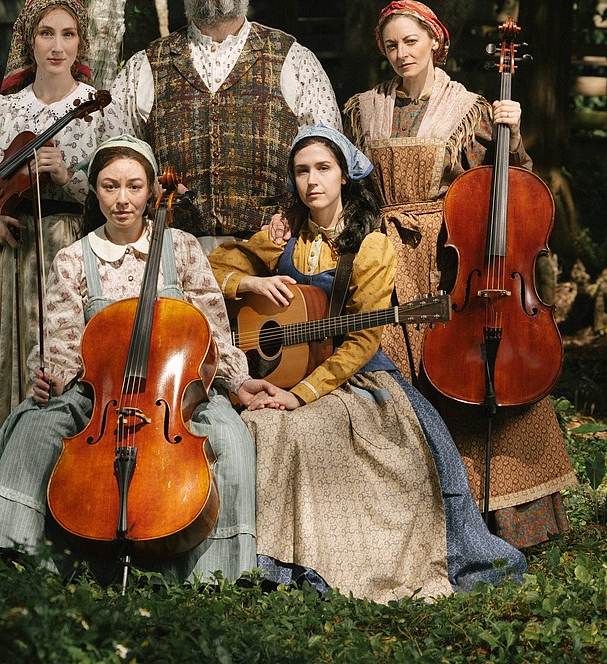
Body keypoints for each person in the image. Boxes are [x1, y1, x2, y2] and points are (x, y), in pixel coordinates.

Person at [208, 125, 525, 603]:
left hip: (357, 379)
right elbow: (212, 266)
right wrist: (249, 286)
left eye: (323, 169)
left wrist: (299, 395)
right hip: (286, 371)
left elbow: (361, 340)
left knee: (304, 431)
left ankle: (335, 562)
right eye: (301, 171)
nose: (312, 181)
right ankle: (266, 560)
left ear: (344, 177)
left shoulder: (371, 246)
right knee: (261, 429)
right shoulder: (282, 236)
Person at [0, 136, 257, 581]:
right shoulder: (74, 259)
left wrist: (236, 380)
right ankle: (8, 552)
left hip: (175, 392)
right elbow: (60, 336)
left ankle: (216, 574)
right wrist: (53, 376)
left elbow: (213, 329)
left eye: (134, 187)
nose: (122, 200)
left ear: (153, 191)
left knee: (230, 437)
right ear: (93, 191)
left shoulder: (183, 248)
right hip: (98, 388)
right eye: (110, 186)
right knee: (37, 425)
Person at [342, 0, 576, 550]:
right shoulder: (361, 108)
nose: (402, 53)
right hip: (380, 255)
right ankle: (404, 523)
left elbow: (507, 191)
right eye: (392, 44)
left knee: (470, 378)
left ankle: (509, 521)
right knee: (390, 387)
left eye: (412, 42)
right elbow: (343, 178)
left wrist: (511, 139)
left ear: (435, 43)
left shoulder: (470, 109)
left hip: (450, 259)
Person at [0, 0, 117, 540]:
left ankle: (71, 512)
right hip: (12, 256)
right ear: (27, 42)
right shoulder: (4, 109)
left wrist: (71, 177)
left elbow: (123, 193)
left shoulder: (96, 109)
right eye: (45, 34)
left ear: (80, 44)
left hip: (75, 250)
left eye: (68, 35)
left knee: (70, 369)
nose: (57, 46)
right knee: (8, 372)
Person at [104, 0, 342, 245]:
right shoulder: (144, 65)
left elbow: (328, 153)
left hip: (275, 249)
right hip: (175, 250)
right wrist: (152, 183)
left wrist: (296, 213)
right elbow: (115, 155)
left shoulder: (293, 57)